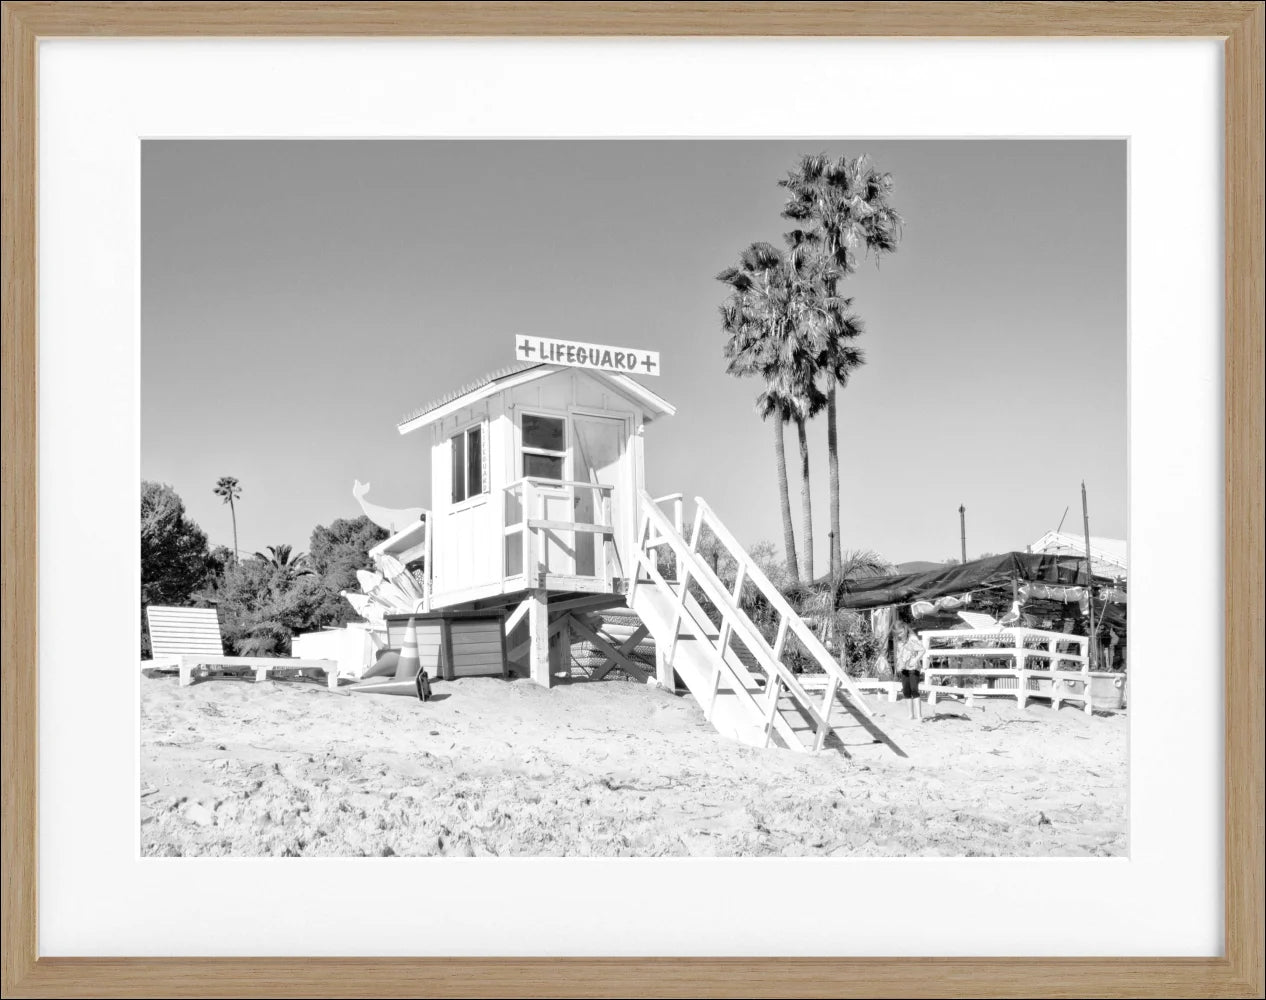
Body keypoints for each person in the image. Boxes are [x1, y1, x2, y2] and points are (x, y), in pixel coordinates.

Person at [895, 620, 926, 721]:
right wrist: (898, 666)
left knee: (914, 690)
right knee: (906, 691)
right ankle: (910, 715)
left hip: (913, 668)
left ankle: (919, 715)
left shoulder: (912, 638)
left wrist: (915, 660)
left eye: (900, 632)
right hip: (904, 668)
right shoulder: (899, 642)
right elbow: (899, 655)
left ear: (905, 629)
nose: (899, 634)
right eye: (897, 633)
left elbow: (922, 650)